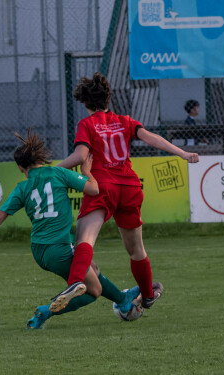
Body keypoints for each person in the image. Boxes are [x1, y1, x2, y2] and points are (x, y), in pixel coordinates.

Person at [0, 128, 140, 329]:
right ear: (40, 158)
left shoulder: (22, 188)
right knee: (93, 290)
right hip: (60, 248)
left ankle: (122, 298)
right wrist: (86, 172)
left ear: (20, 167)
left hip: (39, 251)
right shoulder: (59, 173)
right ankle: (46, 311)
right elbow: (94, 190)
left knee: (92, 268)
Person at [52, 72, 199, 311]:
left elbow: (80, 156)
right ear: (108, 99)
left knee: (85, 239)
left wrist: (52, 172)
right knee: (136, 249)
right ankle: (148, 295)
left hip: (102, 186)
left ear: (85, 103)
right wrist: (182, 154)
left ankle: (75, 282)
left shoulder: (87, 124)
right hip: (130, 187)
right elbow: (152, 138)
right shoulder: (124, 121)